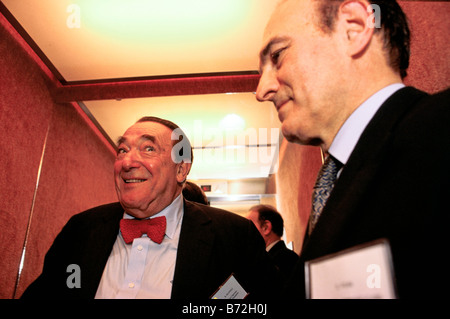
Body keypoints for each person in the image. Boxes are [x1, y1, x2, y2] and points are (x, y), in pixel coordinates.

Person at [256, 0, 449, 298]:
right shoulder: (333, 183)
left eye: (278, 55)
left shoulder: (439, 129)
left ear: (354, 28)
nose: (262, 90)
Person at [21, 116, 279, 299]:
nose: (127, 161)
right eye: (122, 150)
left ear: (181, 169)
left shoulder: (234, 236)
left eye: (148, 148)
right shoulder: (81, 229)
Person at [246, 205, 298, 283]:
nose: (246, 231)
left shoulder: (286, 258)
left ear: (266, 227)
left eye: (249, 226)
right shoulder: (264, 258)